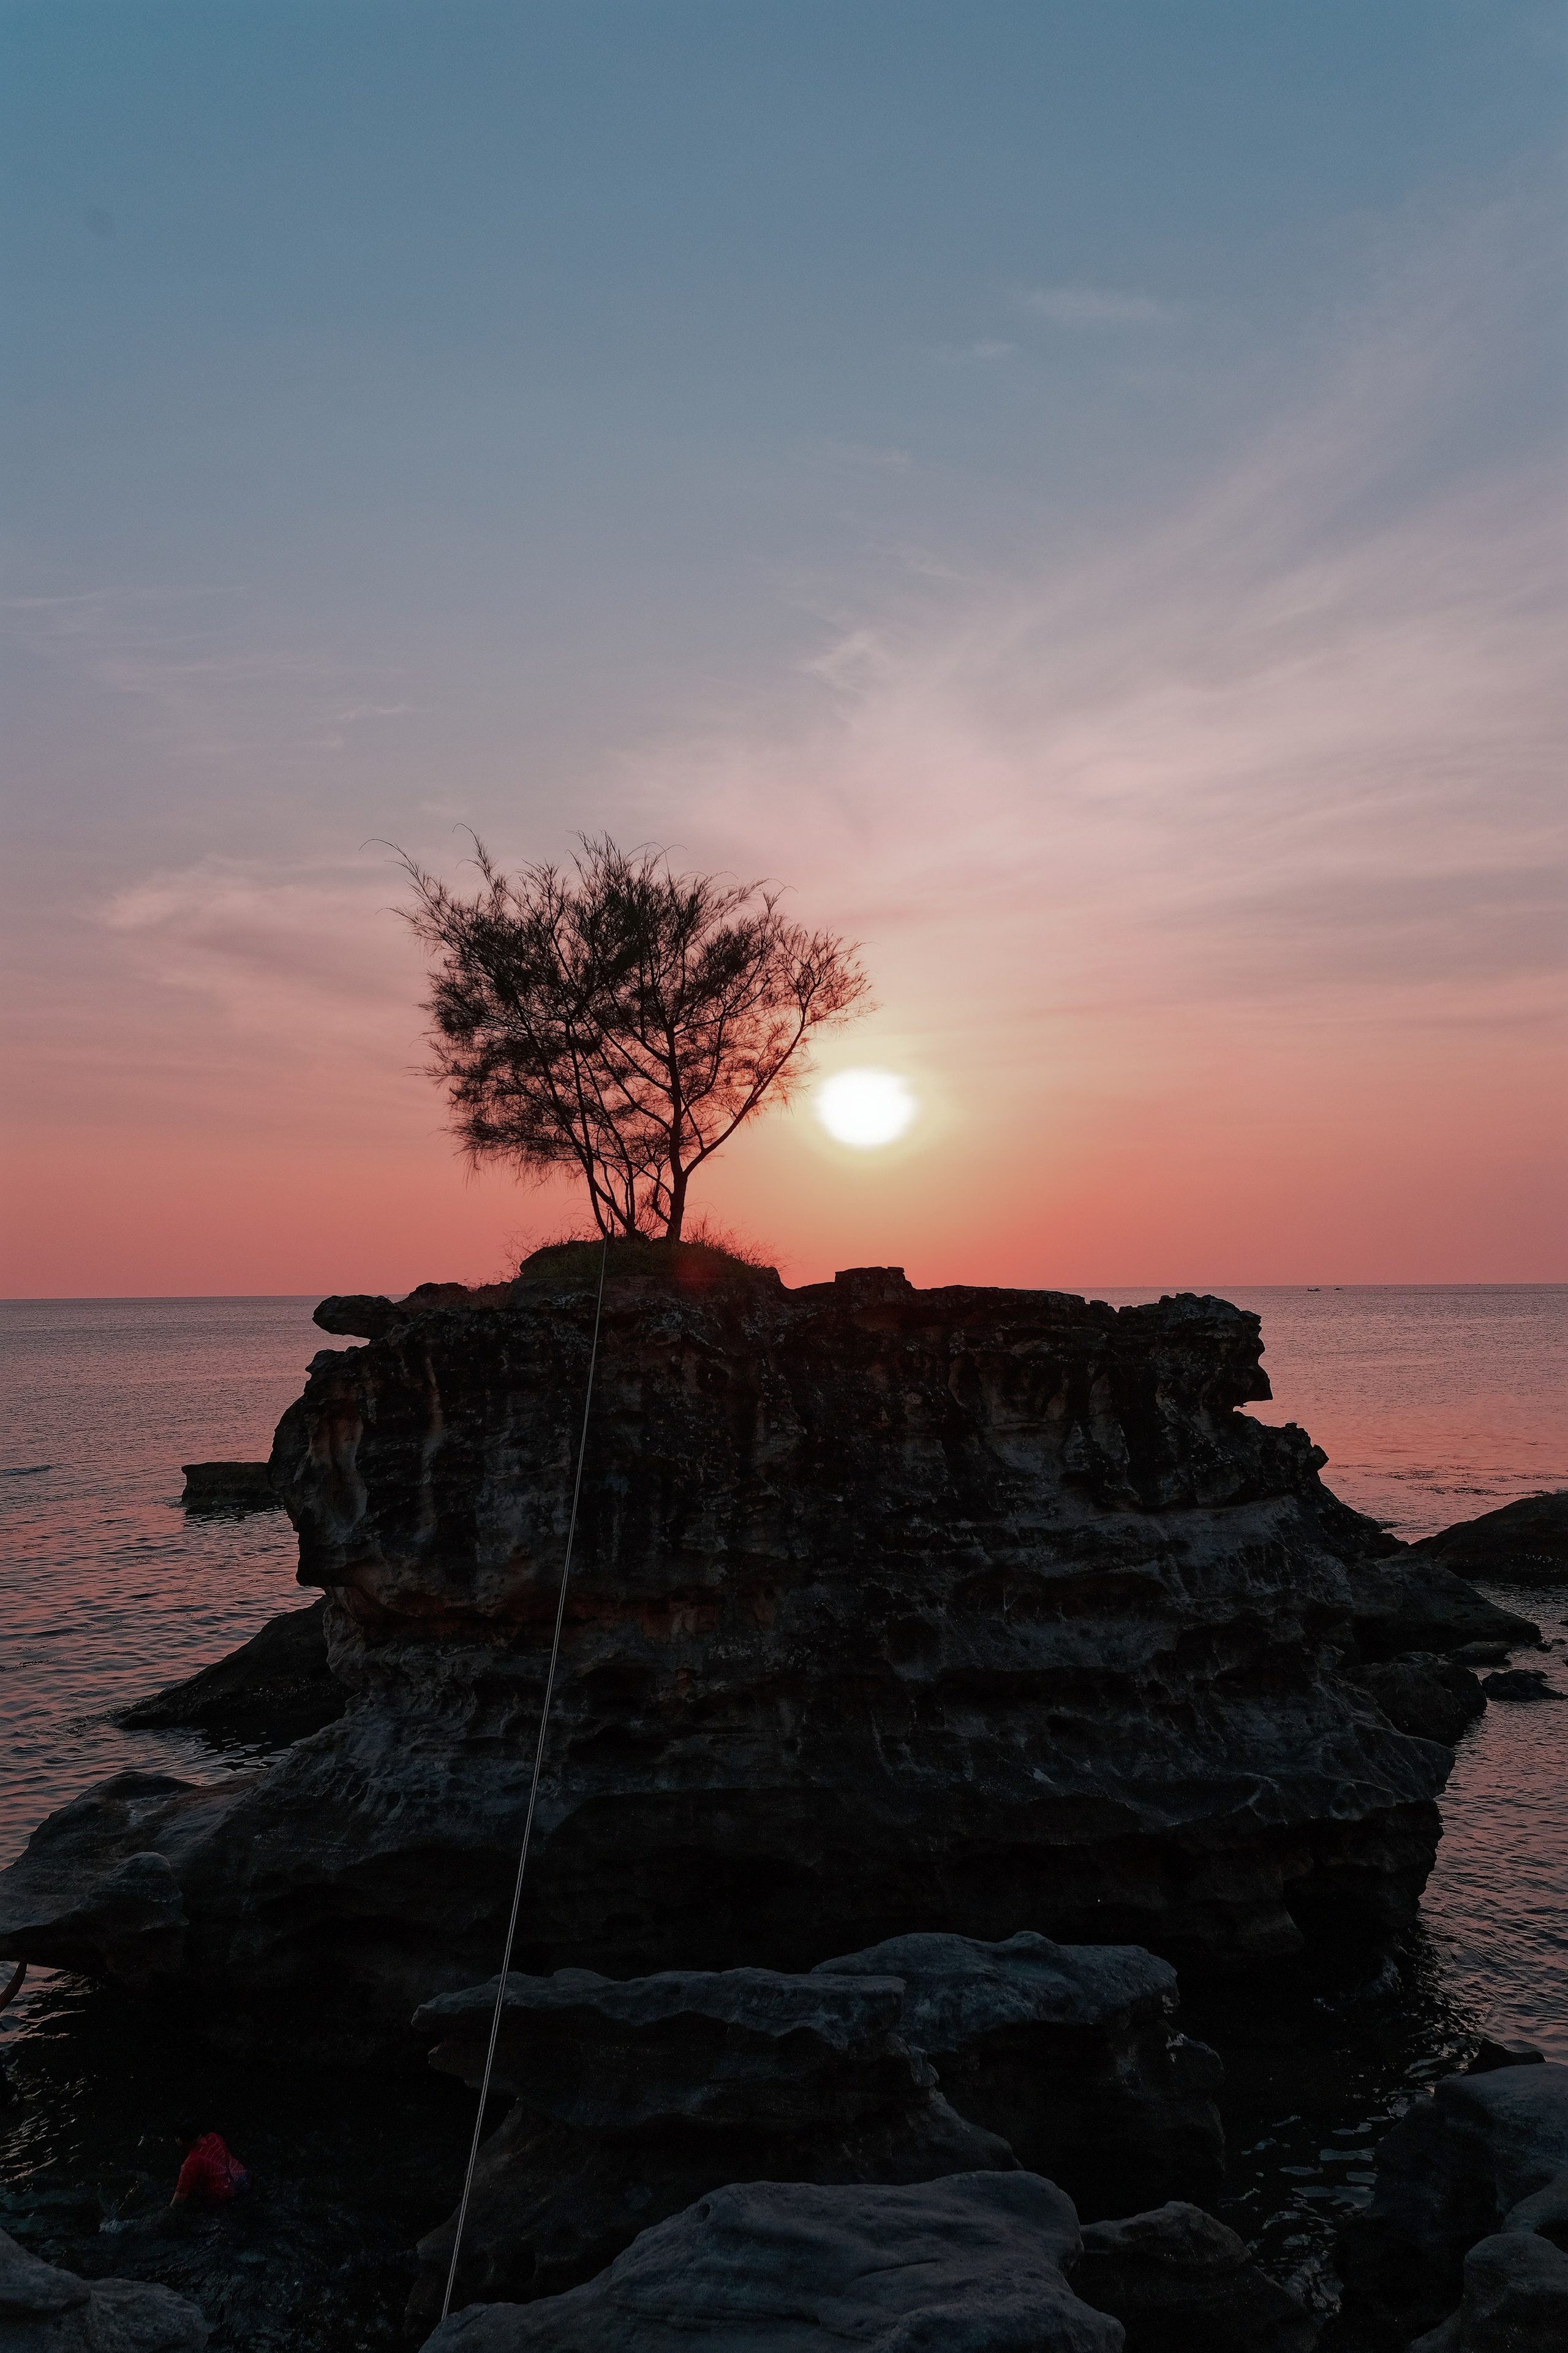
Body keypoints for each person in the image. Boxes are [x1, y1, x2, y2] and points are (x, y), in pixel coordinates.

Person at [169, 2122, 249, 2208]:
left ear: (180, 2140)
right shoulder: (214, 2137)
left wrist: (168, 2209)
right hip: (244, 2178)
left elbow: (180, 2197)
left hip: (225, 2196)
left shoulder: (190, 2163)